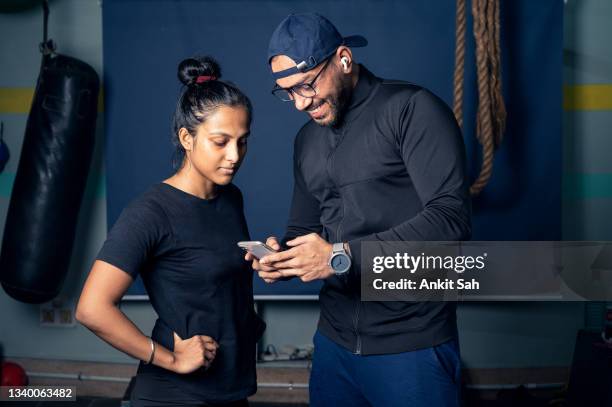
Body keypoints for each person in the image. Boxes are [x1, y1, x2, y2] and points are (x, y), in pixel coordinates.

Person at [247, 13, 471, 407]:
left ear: (344, 59)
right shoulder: (306, 142)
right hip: (333, 346)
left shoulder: (412, 109)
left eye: (306, 85)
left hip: (411, 345)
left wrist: (340, 257)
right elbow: (304, 230)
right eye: (287, 92)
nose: (300, 103)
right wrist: (281, 257)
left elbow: (451, 220)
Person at [77, 56, 264, 407]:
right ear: (187, 138)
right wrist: (171, 359)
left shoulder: (230, 198)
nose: (235, 155)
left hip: (232, 389)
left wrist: (261, 260)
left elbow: (212, 277)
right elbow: (91, 308)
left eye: (243, 141)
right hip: (175, 395)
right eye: (221, 141)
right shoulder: (150, 213)